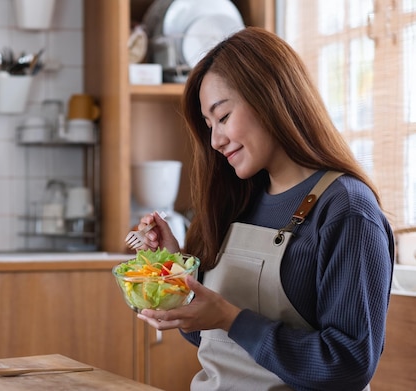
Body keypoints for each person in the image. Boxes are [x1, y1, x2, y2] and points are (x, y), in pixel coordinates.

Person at [133, 26, 394, 390]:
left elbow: (347, 365)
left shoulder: (346, 210)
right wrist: (174, 272)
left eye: (223, 117)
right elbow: (210, 341)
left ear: (271, 97)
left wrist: (230, 318)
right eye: (208, 125)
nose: (215, 140)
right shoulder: (240, 200)